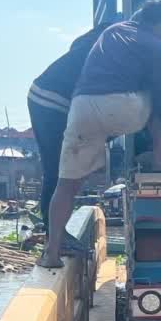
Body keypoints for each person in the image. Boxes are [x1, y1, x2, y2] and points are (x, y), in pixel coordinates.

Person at [37, 0, 161, 269]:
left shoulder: (113, 31)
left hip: (82, 107)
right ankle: (160, 159)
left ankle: (52, 253)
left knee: (66, 185)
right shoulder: (159, 49)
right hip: (120, 109)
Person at [27, 22, 111, 249]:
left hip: (46, 95)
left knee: (60, 171)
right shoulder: (122, 41)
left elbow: (76, 44)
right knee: (58, 171)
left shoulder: (104, 36)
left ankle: (55, 233)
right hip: (53, 100)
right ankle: (55, 235)